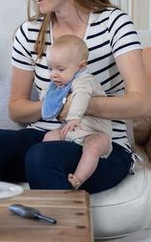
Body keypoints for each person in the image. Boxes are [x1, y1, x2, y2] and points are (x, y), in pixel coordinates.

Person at [0, 0, 151, 194]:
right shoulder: (28, 33)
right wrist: (57, 107)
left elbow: (141, 103)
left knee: (42, 157)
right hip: (48, 135)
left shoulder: (114, 23)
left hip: (102, 144)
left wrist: (80, 106)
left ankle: (61, 231)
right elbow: (17, 109)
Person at [41, 35, 112, 189]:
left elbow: (81, 96)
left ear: (81, 66)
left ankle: (78, 178)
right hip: (70, 132)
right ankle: (49, 163)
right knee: (49, 137)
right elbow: (48, 94)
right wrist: (45, 96)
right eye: (50, 68)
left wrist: (74, 117)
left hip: (95, 133)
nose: (53, 74)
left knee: (93, 147)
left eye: (60, 69)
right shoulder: (59, 82)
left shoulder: (85, 81)